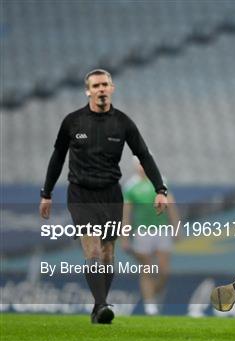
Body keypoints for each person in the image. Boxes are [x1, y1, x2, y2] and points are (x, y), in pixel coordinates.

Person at [39, 69, 168, 324]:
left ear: (112, 88)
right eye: (95, 85)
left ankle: (99, 306)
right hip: (80, 193)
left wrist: (160, 189)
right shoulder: (72, 122)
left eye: (104, 85)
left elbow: (144, 155)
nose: (100, 89)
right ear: (88, 90)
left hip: (111, 193)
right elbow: (57, 158)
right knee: (94, 250)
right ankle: (101, 305)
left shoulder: (123, 123)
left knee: (109, 254)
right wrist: (47, 192)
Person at [122, 158, 181, 315]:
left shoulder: (161, 181)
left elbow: (171, 206)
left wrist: (176, 227)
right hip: (142, 232)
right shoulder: (131, 187)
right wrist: (125, 237)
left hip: (161, 230)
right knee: (146, 268)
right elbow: (127, 214)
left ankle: (152, 294)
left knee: (164, 270)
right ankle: (150, 304)